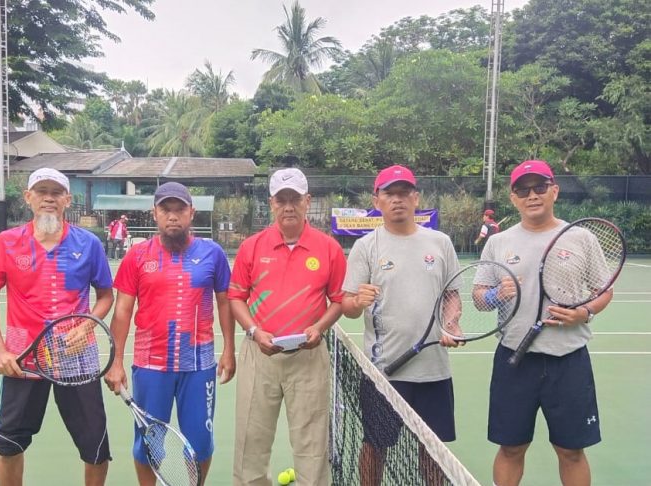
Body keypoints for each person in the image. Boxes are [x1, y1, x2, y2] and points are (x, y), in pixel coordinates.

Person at [0, 167, 114, 486]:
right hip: (23, 358)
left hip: (77, 358)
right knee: (8, 444)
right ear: (28, 197)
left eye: (56, 192)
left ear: (68, 199)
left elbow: (106, 296)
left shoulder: (89, 244)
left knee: (96, 448)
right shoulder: (6, 243)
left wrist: (88, 325)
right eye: (41, 191)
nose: (49, 198)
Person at [480, 160, 614, 486]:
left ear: (554, 191)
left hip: (568, 359)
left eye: (540, 187)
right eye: (523, 190)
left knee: (571, 451)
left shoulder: (581, 238)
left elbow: (604, 291)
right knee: (511, 448)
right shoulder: (499, 242)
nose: (532, 195)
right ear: (513, 198)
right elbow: (480, 298)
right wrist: (496, 294)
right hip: (514, 359)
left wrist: (585, 313)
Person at [104, 182, 235, 486]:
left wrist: (229, 350)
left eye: (179, 209)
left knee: (200, 443)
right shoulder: (137, 256)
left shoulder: (213, 254)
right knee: (148, 444)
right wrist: (115, 362)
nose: (173, 216)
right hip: (151, 365)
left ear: (192, 213)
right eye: (166, 209)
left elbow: (225, 302)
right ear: (155, 214)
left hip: (199, 366)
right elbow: (122, 311)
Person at [340, 165, 463, 486]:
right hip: (383, 373)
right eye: (389, 194)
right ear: (376, 201)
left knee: (432, 451)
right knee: (374, 447)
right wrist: (358, 301)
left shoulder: (440, 243)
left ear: (415, 198)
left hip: (434, 371)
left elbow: (452, 295)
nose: (397, 199)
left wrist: (452, 324)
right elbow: (347, 306)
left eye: (404, 193)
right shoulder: (366, 247)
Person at [229, 168, 346, 486]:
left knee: (312, 447)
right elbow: (236, 298)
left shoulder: (329, 249)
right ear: (272, 203)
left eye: (295, 198)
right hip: (259, 356)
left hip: (309, 358)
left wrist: (319, 327)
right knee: (250, 445)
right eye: (282, 200)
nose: (289, 206)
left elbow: (338, 300)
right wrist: (254, 331)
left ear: (308, 201)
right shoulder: (252, 247)